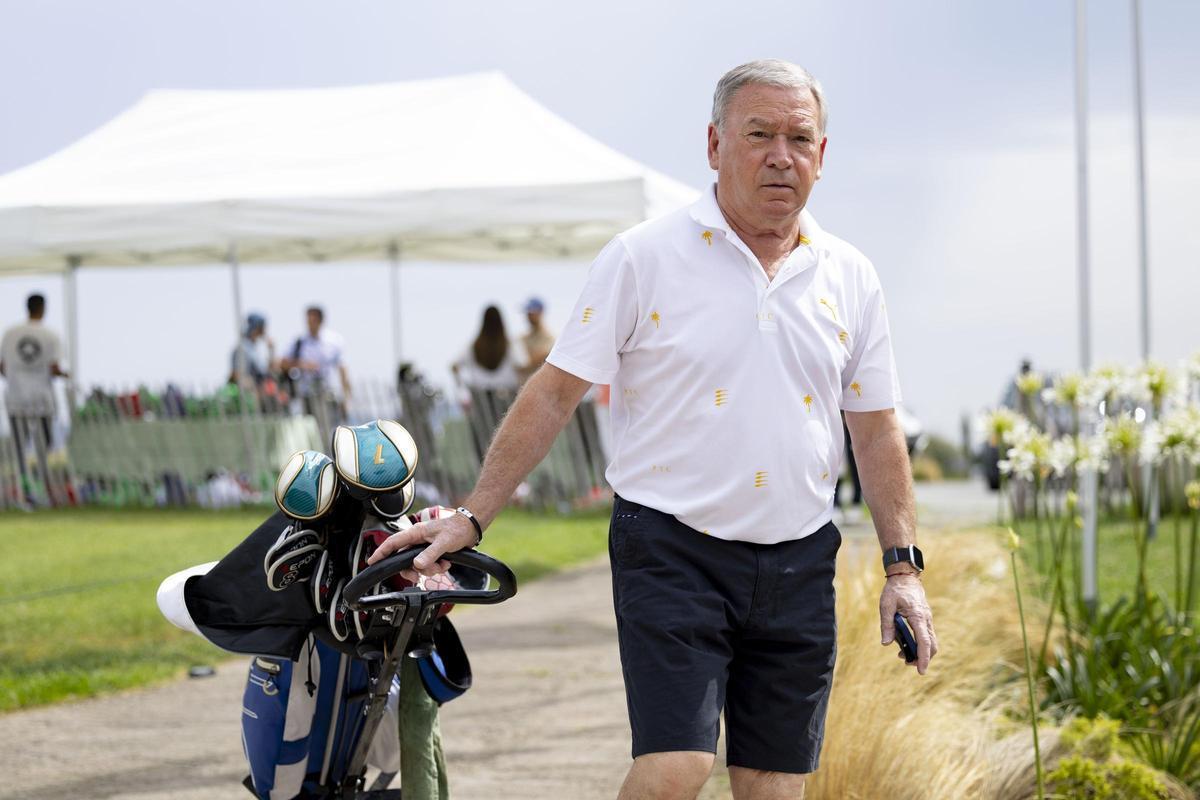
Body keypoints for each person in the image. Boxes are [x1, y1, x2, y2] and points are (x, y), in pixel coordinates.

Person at [370, 59, 937, 800]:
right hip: (672, 547)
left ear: (822, 157)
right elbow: (553, 393)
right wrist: (476, 515)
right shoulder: (644, 257)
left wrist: (903, 571)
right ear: (713, 145)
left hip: (798, 558)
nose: (780, 155)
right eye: (758, 133)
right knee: (678, 767)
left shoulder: (851, 276)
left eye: (800, 138)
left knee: (773, 784)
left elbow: (875, 428)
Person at [1, 293, 69, 506]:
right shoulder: (50, 335)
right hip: (42, 399)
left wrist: (14, 378)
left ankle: (26, 486)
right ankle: (40, 483)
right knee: (43, 445)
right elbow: (54, 367)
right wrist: (65, 375)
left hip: (15, 398)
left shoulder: (10, 334)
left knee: (20, 447)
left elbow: (2, 366)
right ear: (43, 308)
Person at [279, 306, 350, 431]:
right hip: (306, 394)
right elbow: (283, 363)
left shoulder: (334, 341)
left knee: (329, 429)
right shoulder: (299, 341)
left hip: (328, 393)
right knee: (310, 431)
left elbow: (342, 369)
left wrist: (346, 397)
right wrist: (303, 365)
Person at [450, 305, 520, 392]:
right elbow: (521, 365)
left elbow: (454, 366)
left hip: (481, 396)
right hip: (506, 395)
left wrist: (462, 386)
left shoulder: (473, 346)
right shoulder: (510, 344)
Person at [229, 312, 276, 389]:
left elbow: (269, 371)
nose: (264, 331)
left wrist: (271, 351)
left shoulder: (256, 348)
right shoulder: (242, 349)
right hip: (250, 394)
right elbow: (236, 375)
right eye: (261, 328)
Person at [517, 297, 556, 381]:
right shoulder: (522, 338)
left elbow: (527, 363)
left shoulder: (549, 338)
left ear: (541, 312)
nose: (528, 316)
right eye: (528, 312)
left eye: (531, 312)